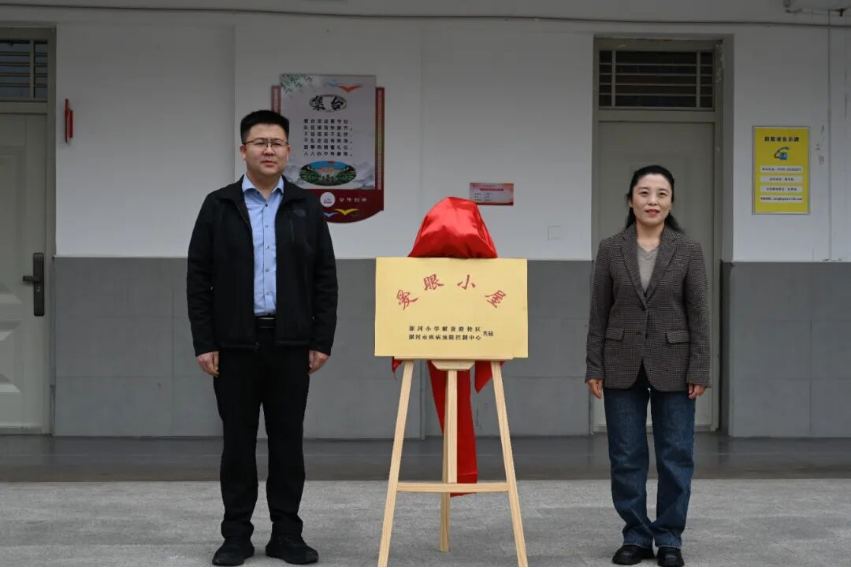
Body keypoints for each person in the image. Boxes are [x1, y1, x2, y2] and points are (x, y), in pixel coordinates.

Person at [187, 110, 338, 567]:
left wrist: (321, 339)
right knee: (237, 444)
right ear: (244, 150)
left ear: (288, 151)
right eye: (260, 142)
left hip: (290, 344)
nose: (268, 150)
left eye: (276, 143)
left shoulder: (306, 207)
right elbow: (198, 278)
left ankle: (287, 534)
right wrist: (204, 341)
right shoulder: (219, 205)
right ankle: (236, 536)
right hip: (234, 345)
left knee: (288, 443)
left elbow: (325, 278)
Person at [585, 165, 709, 568]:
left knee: (676, 455)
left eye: (661, 194)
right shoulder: (610, 249)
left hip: (676, 364)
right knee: (626, 455)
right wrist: (594, 365)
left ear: (671, 202)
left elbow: (699, 315)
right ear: (630, 200)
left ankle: (669, 537)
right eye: (644, 193)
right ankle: (636, 535)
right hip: (619, 362)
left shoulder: (688, 250)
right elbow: (598, 312)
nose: (652, 201)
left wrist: (700, 369)